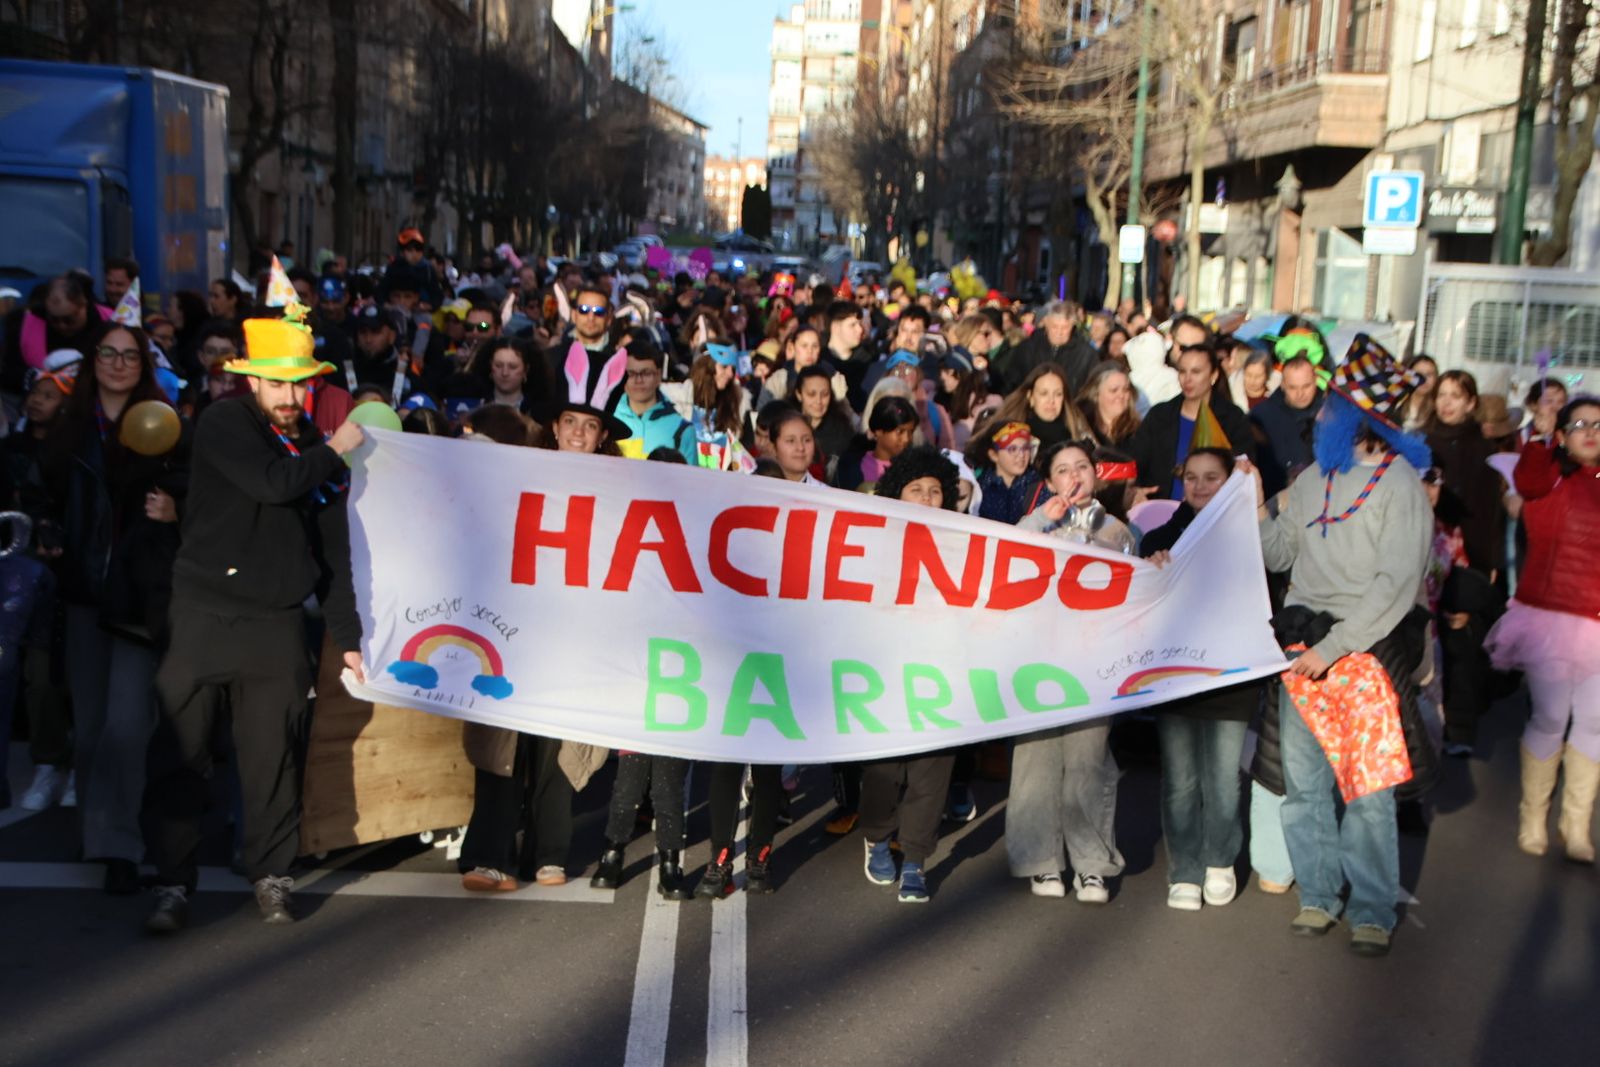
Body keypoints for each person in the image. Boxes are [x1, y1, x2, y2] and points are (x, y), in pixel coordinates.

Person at [142, 308, 365, 932]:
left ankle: (271, 877)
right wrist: (337, 450)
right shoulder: (223, 422)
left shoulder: (313, 448)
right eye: (278, 383)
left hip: (276, 624)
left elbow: (333, 555)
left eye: (300, 384)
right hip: (204, 615)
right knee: (180, 757)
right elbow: (274, 483)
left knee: (272, 761)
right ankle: (169, 882)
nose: (291, 396)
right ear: (252, 382)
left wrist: (347, 640)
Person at [1253, 340, 1434, 957]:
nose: (1320, 414)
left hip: (1362, 653)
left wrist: (1333, 649)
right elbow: (1280, 553)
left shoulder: (1401, 483)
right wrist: (1254, 506)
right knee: (1304, 787)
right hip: (1302, 646)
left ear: (1359, 417)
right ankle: (1318, 895)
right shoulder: (1311, 480)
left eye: (1331, 405)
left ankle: (1373, 908)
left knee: (1366, 789)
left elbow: (1396, 585)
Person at [41, 322, 186, 895]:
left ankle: (120, 843)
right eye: (109, 353)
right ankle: (97, 829)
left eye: (131, 355)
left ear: (144, 365)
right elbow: (39, 496)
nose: (119, 364)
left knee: (127, 726)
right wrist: (48, 531)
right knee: (92, 729)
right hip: (81, 594)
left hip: (136, 598)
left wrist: (175, 508)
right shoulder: (68, 433)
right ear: (93, 360)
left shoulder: (168, 427)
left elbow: (191, 490)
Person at [1007, 439, 1132, 904]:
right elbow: (1006, 554)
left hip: (1092, 662)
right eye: (1063, 469)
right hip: (1037, 657)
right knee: (1036, 760)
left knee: (1087, 762)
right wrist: (1044, 517)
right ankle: (1041, 861)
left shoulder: (1117, 531)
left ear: (1097, 475)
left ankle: (1091, 864)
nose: (1074, 476)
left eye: (1082, 467)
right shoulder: (1036, 526)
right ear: (1049, 480)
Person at [1140, 449, 1260, 910]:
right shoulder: (1159, 535)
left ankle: (1219, 860)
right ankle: (1185, 870)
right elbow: (1142, 602)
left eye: (1212, 477)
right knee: (1181, 780)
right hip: (1174, 674)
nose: (1200, 486)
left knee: (1223, 778)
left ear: (1228, 481)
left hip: (1231, 675)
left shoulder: (1247, 533)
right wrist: (1153, 572)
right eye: (1192, 477)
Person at [1485, 396, 1600, 863]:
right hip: (1549, 615)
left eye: (1598, 424)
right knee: (1551, 716)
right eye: (1579, 424)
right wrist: (1540, 433)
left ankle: (1576, 826)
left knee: (1594, 722)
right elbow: (1527, 481)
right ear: (1563, 433)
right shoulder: (1548, 472)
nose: (1590, 432)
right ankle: (1534, 816)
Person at [859, 446, 964, 902]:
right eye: (915, 490)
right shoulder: (873, 542)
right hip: (883, 671)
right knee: (884, 768)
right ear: (894, 494)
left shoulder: (966, 545)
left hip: (940, 672)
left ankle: (917, 859)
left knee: (931, 772)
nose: (925, 499)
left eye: (935, 491)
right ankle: (879, 839)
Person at [1425, 369, 1506, 757]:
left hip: (1464, 553)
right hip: (1424, 549)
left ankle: (1460, 726)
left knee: (1460, 639)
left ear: (1471, 402)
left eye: (1457, 395)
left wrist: (1486, 561)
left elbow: (1490, 513)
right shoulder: (1421, 443)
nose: (1447, 402)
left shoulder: (1484, 450)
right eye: (1443, 394)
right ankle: (1425, 721)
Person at [1130, 344, 1255, 500]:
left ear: (1213, 375)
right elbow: (1136, 461)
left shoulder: (1232, 418)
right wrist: (1135, 491)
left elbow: (1243, 466)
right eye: (1182, 371)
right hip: (1161, 509)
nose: (1187, 379)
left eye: (1196, 372)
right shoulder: (1160, 415)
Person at [1250, 355, 1323, 499]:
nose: (1300, 394)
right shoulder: (1262, 417)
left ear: (1316, 381)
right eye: (1293, 387)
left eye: (1306, 386)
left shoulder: (1331, 412)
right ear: (1282, 384)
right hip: (1278, 499)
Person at [610, 341, 696, 462]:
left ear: (658, 376)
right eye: (631, 373)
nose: (638, 380)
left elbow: (691, 479)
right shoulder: (609, 421)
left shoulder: (682, 429)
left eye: (646, 373)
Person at [997, 300, 1096, 395]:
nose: (1059, 332)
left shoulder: (1086, 354)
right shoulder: (1028, 348)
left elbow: (1090, 389)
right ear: (1046, 324)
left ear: (1072, 327)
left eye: (1065, 328)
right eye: (1054, 327)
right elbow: (1012, 381)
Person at [834, 394, 917, 492]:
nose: (906, 439)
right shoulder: (850, 465)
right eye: (900, 432)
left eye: (910, 432)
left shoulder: (915, 469)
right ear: (879, 431)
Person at [972, 421, 1044, 525]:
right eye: (1012, 449)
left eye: (1025, 448)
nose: (1021, 455)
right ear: (993, 455)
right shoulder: (980, 487)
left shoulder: (1039, 487)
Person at [791, 362, 857, 467]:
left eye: (825, 394)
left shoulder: (842, 430)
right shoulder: (785, 424)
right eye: (811, 394)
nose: (818, 401)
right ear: (799, 394)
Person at [1076, 361, 1141, 448]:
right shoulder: (1079, 427)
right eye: (1114, 390)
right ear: (1095, 393)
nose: (1121, 395)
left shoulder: (1138, 431)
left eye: (1125, 390)